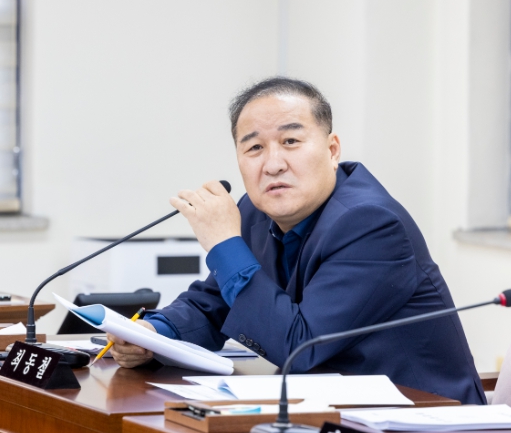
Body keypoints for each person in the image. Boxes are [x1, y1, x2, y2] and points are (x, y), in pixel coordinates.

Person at [109, 77, 486, 405]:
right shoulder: (255, 212)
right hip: (327, 411)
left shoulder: (371, 224)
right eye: (254, 148)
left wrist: (224, 244)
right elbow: (214, 303)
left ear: (332, 150)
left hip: (419, 416)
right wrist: (152, 334)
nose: (273, 164)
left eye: (290, 141)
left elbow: (300, 346)